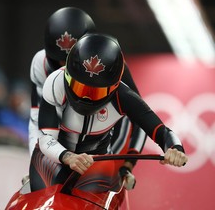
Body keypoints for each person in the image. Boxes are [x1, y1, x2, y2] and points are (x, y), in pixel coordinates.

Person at [29, 33, 188, 193]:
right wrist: (68, 157)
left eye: (95, 92)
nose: (85, 97)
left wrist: (175, 149)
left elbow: (160, 130)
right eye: (80, 87)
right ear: (68, 76)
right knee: (41, 192)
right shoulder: (55, 82)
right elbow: (45, 138)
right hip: (52, 157)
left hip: (95, 162)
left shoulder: (123, 96)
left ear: (113, 89)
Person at [28, 7, 147, 162]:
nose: (65, 70)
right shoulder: (41, 63)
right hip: (61, 141)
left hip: (102, 140)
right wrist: (36, 161)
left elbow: (135, 117)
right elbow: (37, 118)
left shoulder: (113, 68)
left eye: (72, 62)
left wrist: (123, 162)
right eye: (60, 62)